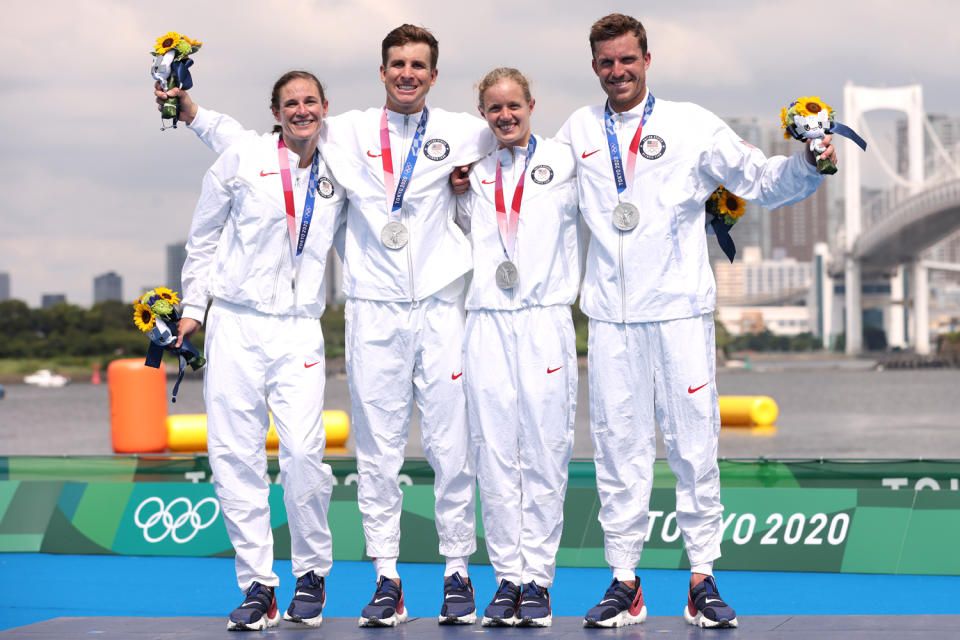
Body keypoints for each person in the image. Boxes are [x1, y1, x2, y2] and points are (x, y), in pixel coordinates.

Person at [158, 25, 495, 627]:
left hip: (407, 311)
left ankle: (447, 569)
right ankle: (283, 583)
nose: (407, 73)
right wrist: (187, 109)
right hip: (264, 320)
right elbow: (231, 148)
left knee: (341, 454)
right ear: (382, 70)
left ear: (433, 74)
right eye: (397, 63)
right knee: (244, 454)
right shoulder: (342, 136)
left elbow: (518, 149)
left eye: (418, 64)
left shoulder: (463, 133)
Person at [553, 14, 838, 629]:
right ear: (594, 66)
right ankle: (624, 582)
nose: (617, 71)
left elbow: (760, 179)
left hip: (680, 312)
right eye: (606, 62)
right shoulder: (577, 130)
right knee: (616, 451)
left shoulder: (691, 123)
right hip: (610, 319)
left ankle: (702, 579)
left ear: (647, 60)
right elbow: (541, 193)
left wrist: (811, 162)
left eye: (627, 59)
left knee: (693, 448)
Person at [176, 70, 346, 630]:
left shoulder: (343, 164)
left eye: (310, 102)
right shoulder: (242, 159)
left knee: (302, 454)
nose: (301, 111)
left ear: (326, 107)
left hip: (298, 328)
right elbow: (203, 237)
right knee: (234, 456)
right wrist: (193, 310)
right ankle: (256, 585)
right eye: (290, 104)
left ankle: (312, 571)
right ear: (275, 112)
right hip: (236, 324)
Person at [456, 68, 580, 628]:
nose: (505, 116)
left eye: (513, 106)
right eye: (494, 109)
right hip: (485, 319)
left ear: (532, 103)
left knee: (546, 451)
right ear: (482, 113)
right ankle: (507, 578)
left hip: (543, 318)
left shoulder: (566, 161)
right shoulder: (470, 173)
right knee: (495, 453)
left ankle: (539, 580)